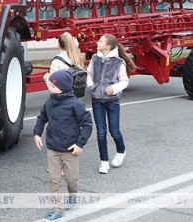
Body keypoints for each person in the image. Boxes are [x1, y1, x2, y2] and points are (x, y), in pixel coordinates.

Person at [34, 69, 93, 221]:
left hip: (70, 150)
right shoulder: (49, 102)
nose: (49, 89)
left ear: (64, 87)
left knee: (71, 179)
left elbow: (87, 123)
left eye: (53, 86)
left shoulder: (75, 104)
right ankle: (57, 208)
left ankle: (72, 194)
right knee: (54, 179)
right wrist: (37, 134)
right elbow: (42, 118)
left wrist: (80, 144)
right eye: (50, 86)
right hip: (52, 148)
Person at [86, 34, 137, 174]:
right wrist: (91, 87)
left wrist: (114, 89)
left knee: (114, 131)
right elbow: (89, 75)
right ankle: (104, 161)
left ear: (107, 46)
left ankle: (121, 151)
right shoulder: (94, 59)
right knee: (101, 132)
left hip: (112, 101)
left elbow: (124, 81)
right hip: (97, 100)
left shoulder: (119, 62)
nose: (97, 42)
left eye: (100, 41)